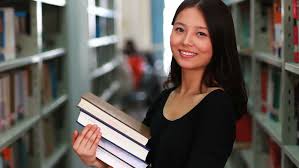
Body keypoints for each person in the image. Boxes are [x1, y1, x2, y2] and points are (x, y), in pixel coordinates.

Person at [72, 0, 248, 167]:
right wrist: (99, 163)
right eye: (180, 29)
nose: (186, 41)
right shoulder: (164, 98)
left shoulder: (217, 106)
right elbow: (140, 163)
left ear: (219, 41)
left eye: (200, 33)